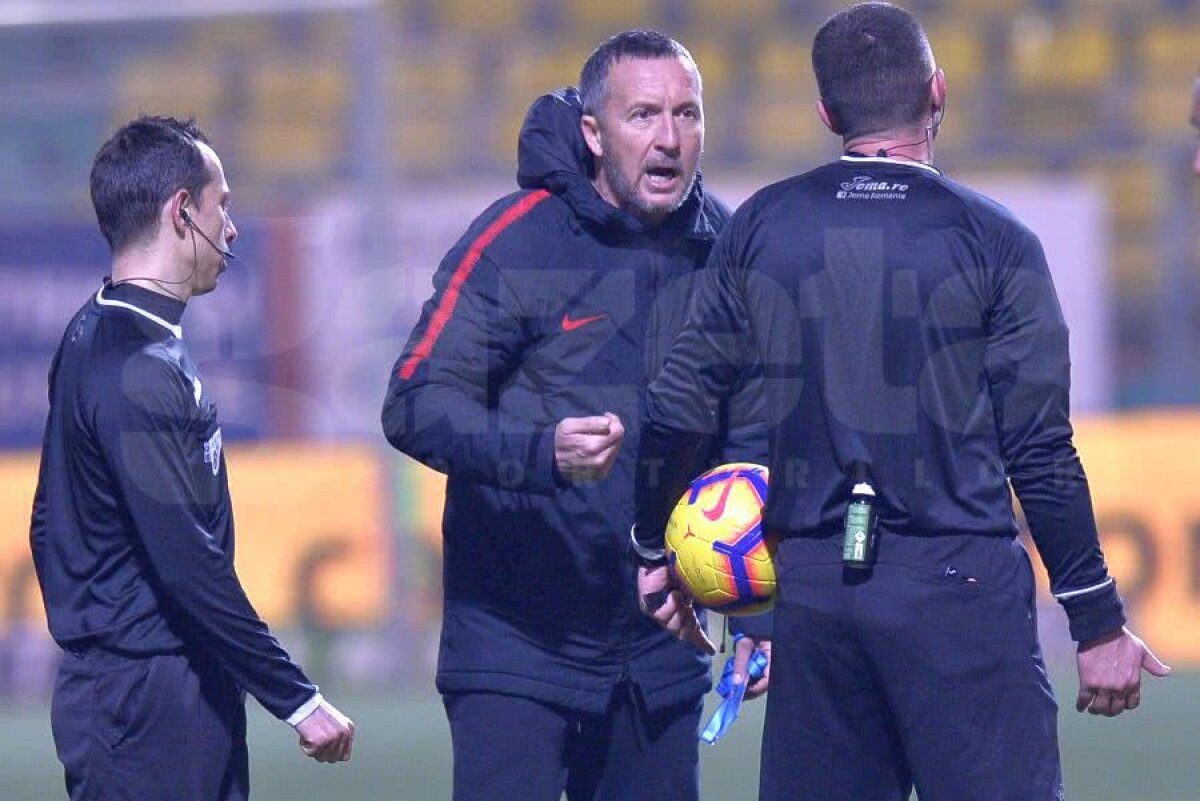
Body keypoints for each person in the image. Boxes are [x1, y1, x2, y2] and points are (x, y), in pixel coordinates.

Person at [630, 4, 1170, 800]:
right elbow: (1040, 450)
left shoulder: (762, 227)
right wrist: (1094, 617)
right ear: (937, 93)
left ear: (825, 113)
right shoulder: (997, 239)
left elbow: (679, 404)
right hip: (962, 587)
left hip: (814, 592)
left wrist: (653, 545)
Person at [382, 30, 768, 801]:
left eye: (687, 115)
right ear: (593, 132)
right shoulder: (516, 240)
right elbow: (414, 403)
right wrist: (541, 450)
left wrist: (756, 611)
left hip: (659, 649)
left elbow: (748, 437)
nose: (669, 138)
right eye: (644, 115)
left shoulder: (725, 250)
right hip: (517, 644)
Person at [29, 116, 354, 801]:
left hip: (145, 685)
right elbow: (187, 558)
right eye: (222, 205)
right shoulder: (136, 365)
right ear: (183, 212)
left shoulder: (101, 328)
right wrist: (296, 697)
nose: (231, 228)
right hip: (146, 702)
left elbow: (49, 517)